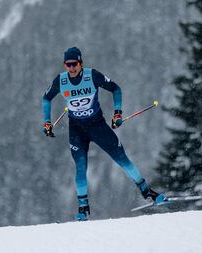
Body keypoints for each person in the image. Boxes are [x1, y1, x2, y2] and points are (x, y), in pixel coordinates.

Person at [42, 47, 164, 220]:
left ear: (81, 63)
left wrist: (118, 113)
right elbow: (46, 98)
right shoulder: (60, 81)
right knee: (80, 168)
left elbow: (116, 89)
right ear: (64, 65)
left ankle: (147, 191)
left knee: (121, 158)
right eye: (68, 65)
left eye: (74, 64)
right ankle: (83, 208)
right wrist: (47, 122)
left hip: (97, 125)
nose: (71, 68)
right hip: (76, 130)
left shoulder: (92, 75)